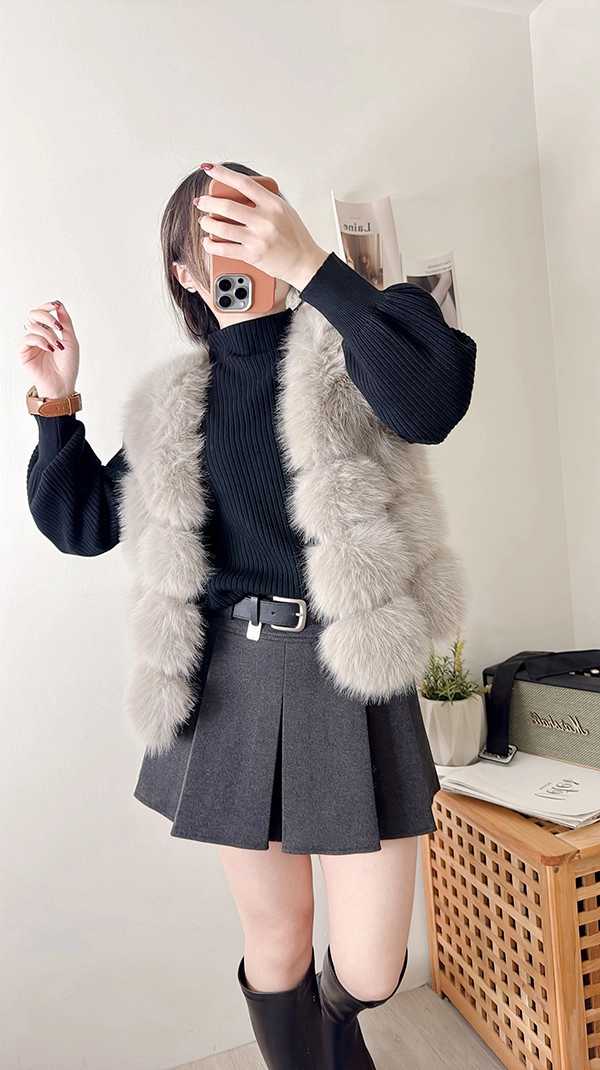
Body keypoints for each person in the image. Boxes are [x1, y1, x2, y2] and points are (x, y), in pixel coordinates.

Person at [21, 160, 477, 1070]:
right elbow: (82, 523)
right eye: (212, 232)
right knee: (276, 940)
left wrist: (311, 266)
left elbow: (435, 400)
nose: (235, 242)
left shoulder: (354, 340)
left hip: (352, 672)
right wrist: (56, 404)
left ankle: (338, 1031)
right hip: (233, 680)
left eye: (251, 216)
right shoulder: (174, 403)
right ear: (185, 272)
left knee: (372, 967)